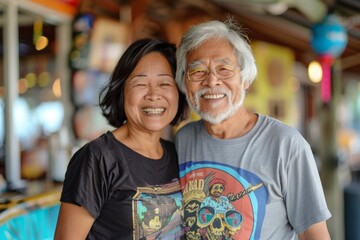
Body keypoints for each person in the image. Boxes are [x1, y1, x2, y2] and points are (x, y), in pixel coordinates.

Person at [174, 18, 332, 240]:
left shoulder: (286, 144)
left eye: (224, 69)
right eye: (198, 71)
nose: (211, 81)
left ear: (245, 79)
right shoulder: (183, 139)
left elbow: (313, 234)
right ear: (184, 82)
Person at [54, 38, 187, 240]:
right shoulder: (97, 158)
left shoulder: (178, 153)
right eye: (140, 83)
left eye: (164, 83)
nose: (153, 94)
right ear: (121, 91)